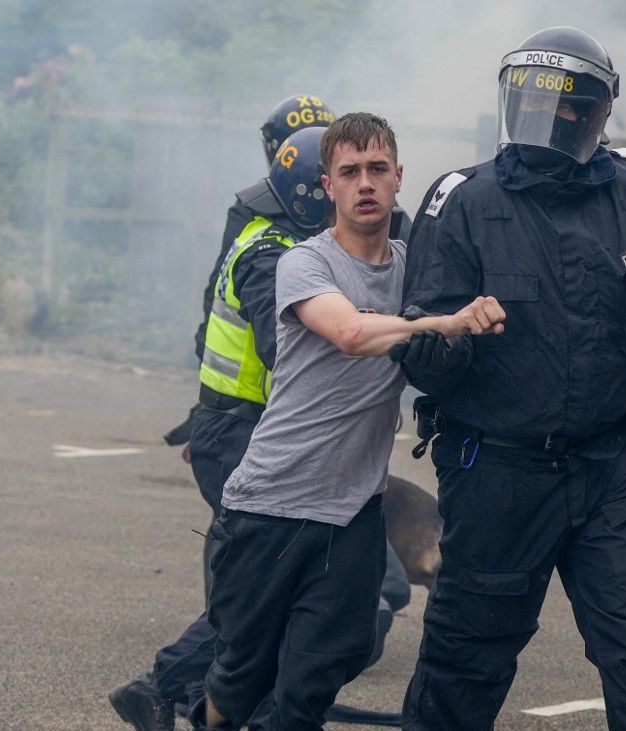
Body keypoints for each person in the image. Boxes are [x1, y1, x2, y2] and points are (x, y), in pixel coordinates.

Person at [395, 26, 626, 730]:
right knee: (466, 660)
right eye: (532, 100)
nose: (547, 117)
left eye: (565, 104)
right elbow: (419, 346)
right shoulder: (463, 201)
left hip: (612, 464)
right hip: (498, 472)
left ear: (596, 111)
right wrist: (446, 337)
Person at [189, 112, 505, 730]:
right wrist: (445, 322)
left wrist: (485, 315)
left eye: (377, 170)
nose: (365, 182)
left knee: (314, 677)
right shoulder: (303, 263)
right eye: (349, 171)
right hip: (269, 505)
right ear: (328, 187)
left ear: (398, 180)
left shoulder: (417, 268)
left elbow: (465, 320)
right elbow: (353, 333)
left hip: (353, 514)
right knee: (240, 678)